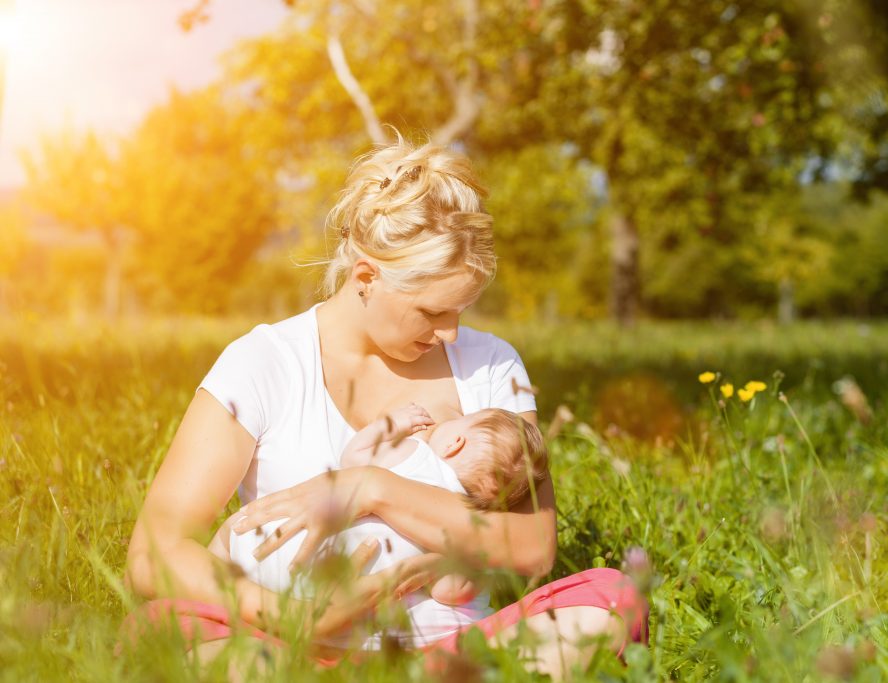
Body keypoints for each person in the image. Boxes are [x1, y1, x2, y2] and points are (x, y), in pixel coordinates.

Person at [122, 135, 648, 678]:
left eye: (462, 311)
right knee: (170, 629)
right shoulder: (264, 362)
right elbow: (154, 551)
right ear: (367, 276)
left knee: (610, 599)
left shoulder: (492, 365)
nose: (450, 333)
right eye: (432, 311)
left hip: (451, 651)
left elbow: (532, 546)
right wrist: (299, 617)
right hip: (287, 644)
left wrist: (373, 487)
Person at [208, 402, 549, 650]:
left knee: (233, 546)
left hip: (272, 561)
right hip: (336, 603)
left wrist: (391, 425)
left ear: (455, 443)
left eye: (462, 420)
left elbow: (353, 456)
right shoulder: (465, 521)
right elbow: (450, 591)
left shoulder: (415, 455)